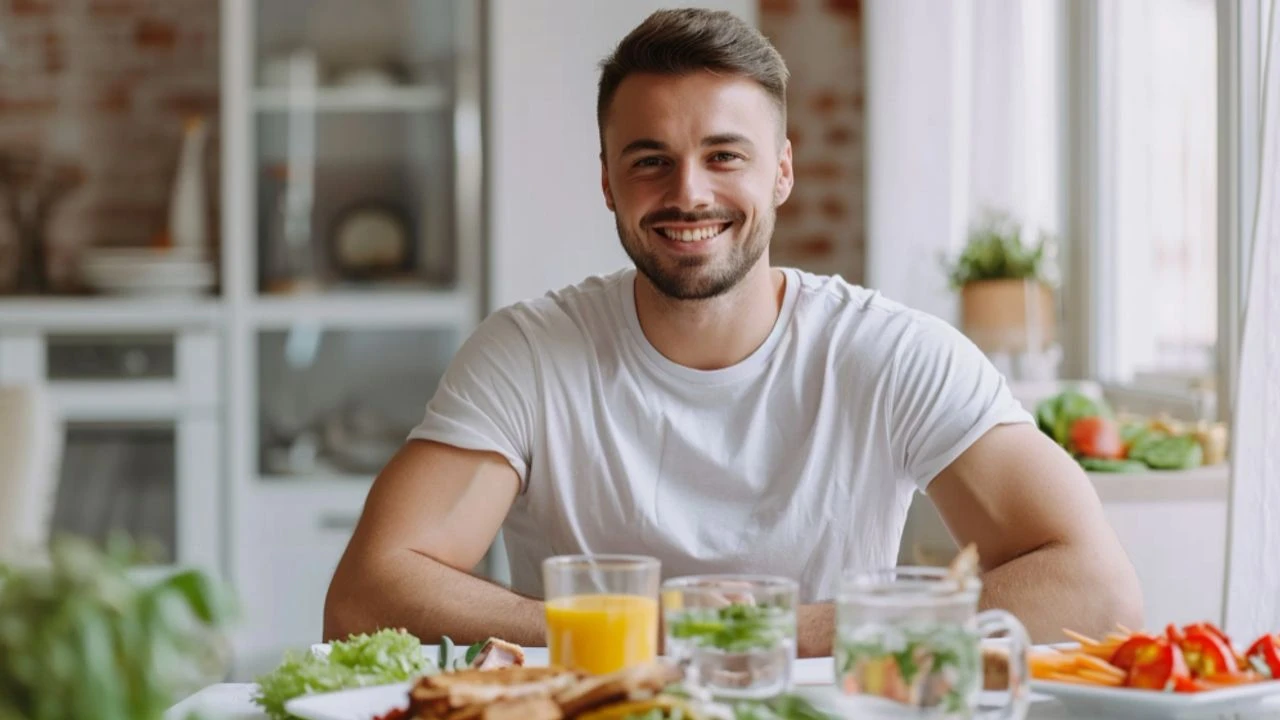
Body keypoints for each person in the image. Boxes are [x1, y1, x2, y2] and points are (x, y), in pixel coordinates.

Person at [325, 7, 1142, 657]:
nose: (689, 193)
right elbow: (366, 594)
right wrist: (639, 633)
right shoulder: (529, 354)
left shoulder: (892, 353)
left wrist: (765, 634)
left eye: (724, 156)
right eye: (650, 160)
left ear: (782, 170)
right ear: (607, 181)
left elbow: (1097, 590)